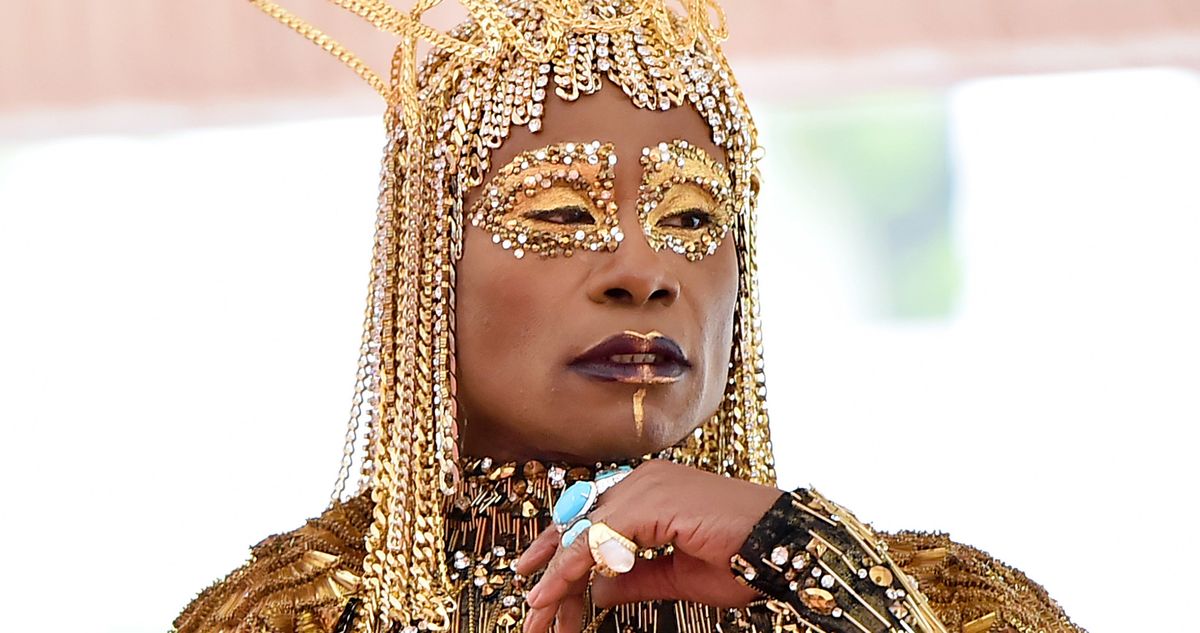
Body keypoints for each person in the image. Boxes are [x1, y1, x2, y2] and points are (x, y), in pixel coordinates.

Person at [175, 1, 1083, 632]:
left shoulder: (939, 602)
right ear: (431, 262)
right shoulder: (293, 614)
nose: (645, 274)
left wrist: (813, 565)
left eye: (690, 219)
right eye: (559, 214)